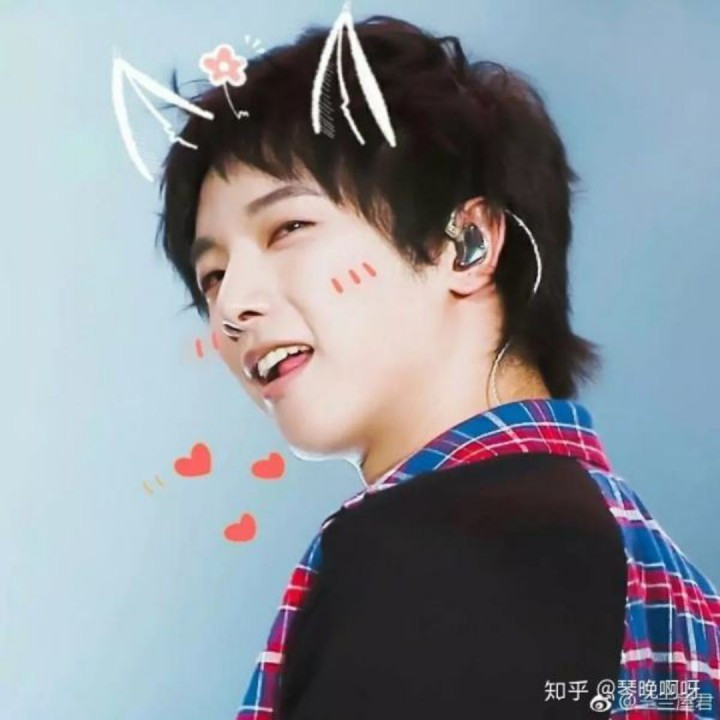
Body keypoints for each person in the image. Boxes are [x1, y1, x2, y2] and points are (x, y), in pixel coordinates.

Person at [156, 13, 720, 719]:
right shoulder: (668, 586)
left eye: (289, 227)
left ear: (466, 244)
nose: (233, 306)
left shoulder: (430, 548)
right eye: (212, 275)